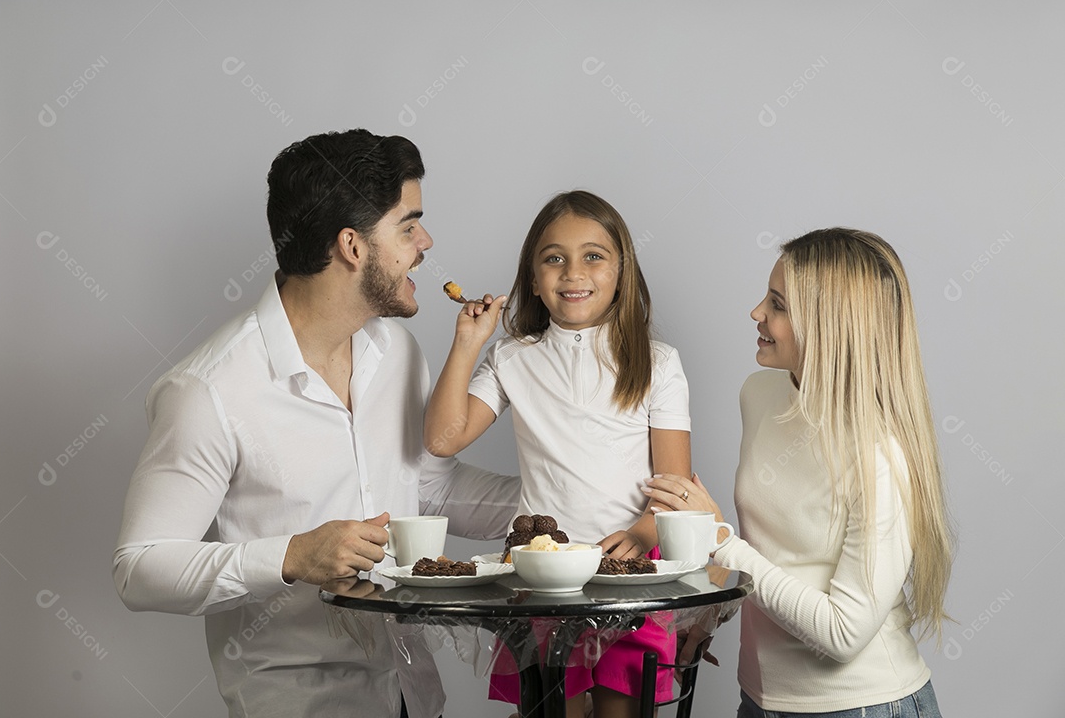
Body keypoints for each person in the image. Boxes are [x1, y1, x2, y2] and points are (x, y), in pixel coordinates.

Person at [112, 129, 520, 718]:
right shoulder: (207, 391)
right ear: (352, 246)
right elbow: (140, 568)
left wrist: (569, 500)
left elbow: (428, 488)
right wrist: (293, 556)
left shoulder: (398, 354)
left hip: (412, 694)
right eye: (408, 226)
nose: (426, 242)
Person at [645, 228, 951, 717]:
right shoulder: (760, 394)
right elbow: (775, 551)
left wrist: (717, 537)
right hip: (761, 699)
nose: (756, 313)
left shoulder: (878, 458)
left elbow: (844, 633)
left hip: (861, 705)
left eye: (778, 305)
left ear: (830, 325)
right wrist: (711, 611)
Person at [424, 190, 692, 718]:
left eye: (594, 256)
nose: (574, 272)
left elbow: (674, 483)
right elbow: (443, 438)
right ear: (532, 278)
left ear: (622, 271)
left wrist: (640, 534)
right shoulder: (510, 357)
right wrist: (467, 342)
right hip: (541, 576)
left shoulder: (658, 362)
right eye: (554, 258)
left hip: (629, 575)